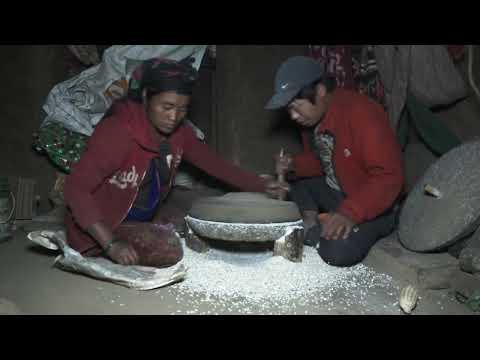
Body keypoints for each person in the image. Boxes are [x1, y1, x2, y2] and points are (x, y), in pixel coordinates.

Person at [64, 57, 268, 267]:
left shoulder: (179, 134)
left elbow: (217, 165)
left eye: (182, 109)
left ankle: (145, 229)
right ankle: (102, 244)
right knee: (168, 248)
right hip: (105, 224)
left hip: (140, 215)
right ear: (145, 97)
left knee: (201, 214)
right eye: (167, 106)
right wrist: (111, 243)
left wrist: (263, 185)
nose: (174, 116)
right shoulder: (117, 132)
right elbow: (75, 188)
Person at [265, 56, 404, 267]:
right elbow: (325, 162)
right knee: (295, 181)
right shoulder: (316, 120)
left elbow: (389, 177)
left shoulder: (362, 114)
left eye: (296, 106)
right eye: (289, 109)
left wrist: (349, 212)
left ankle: (317, 231)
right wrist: (292, 164)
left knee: (337, 250)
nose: (293, 116)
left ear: (320, 91)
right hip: (339, 192)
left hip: (374, 204)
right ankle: (312, 223)